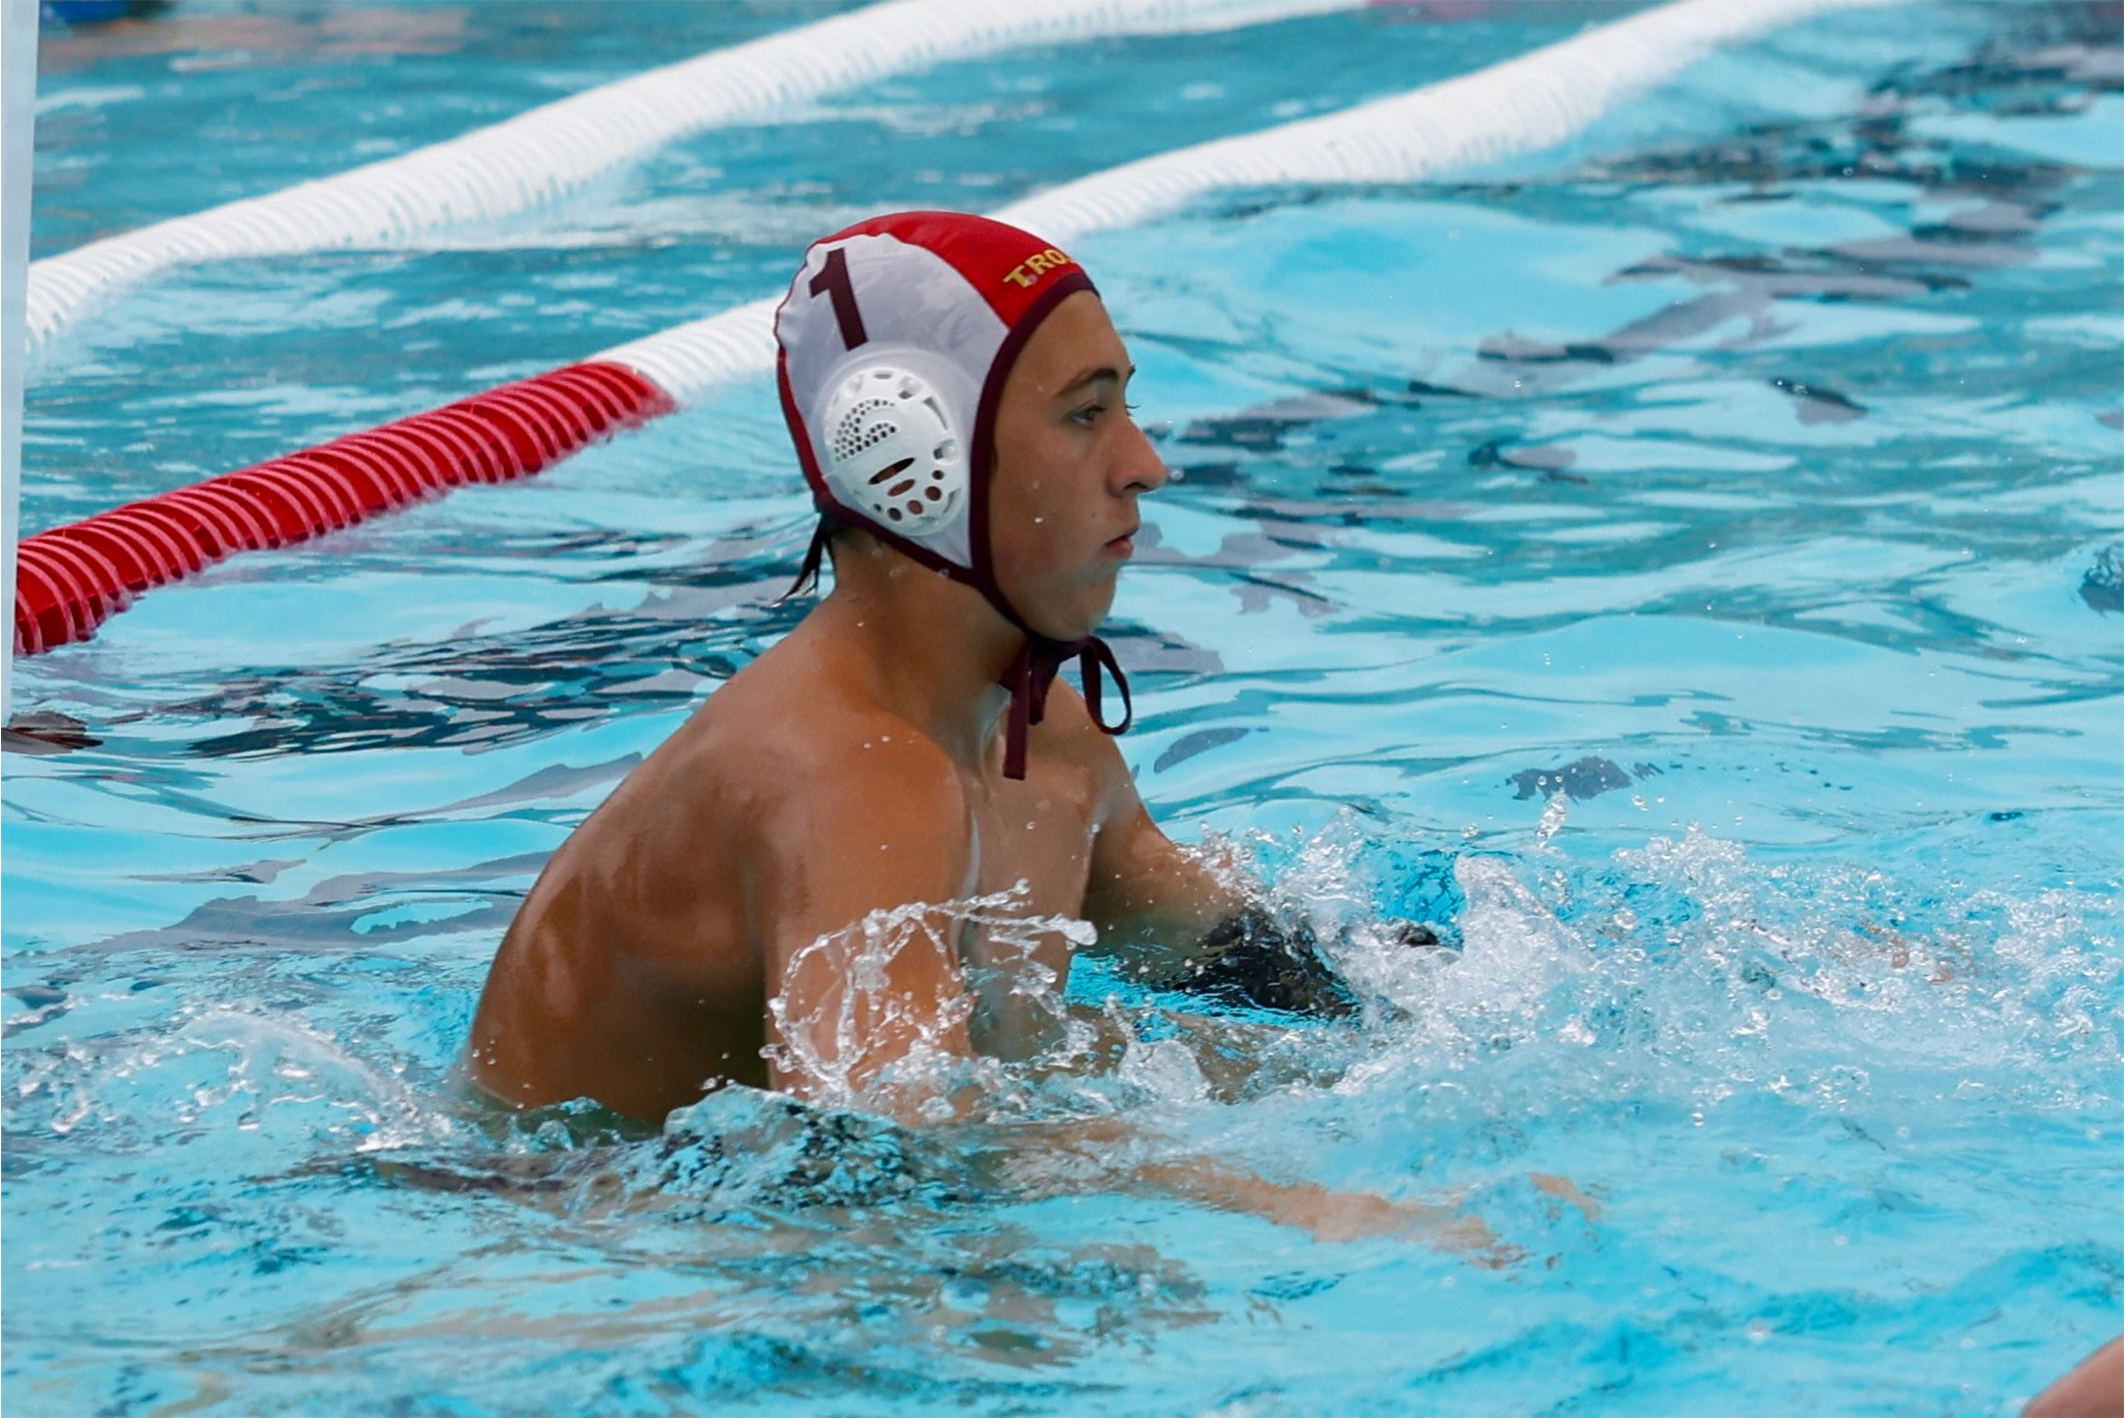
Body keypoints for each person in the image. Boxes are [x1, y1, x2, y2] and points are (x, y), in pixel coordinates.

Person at [466, 211, 1405, 1130]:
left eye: (1128, 407)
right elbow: (898, 1185)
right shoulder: (855, 779)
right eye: (1086, 413)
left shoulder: (1040, 744)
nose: (1145, 465)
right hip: (566, 1238)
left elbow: (1268, 979)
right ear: (910, 460)